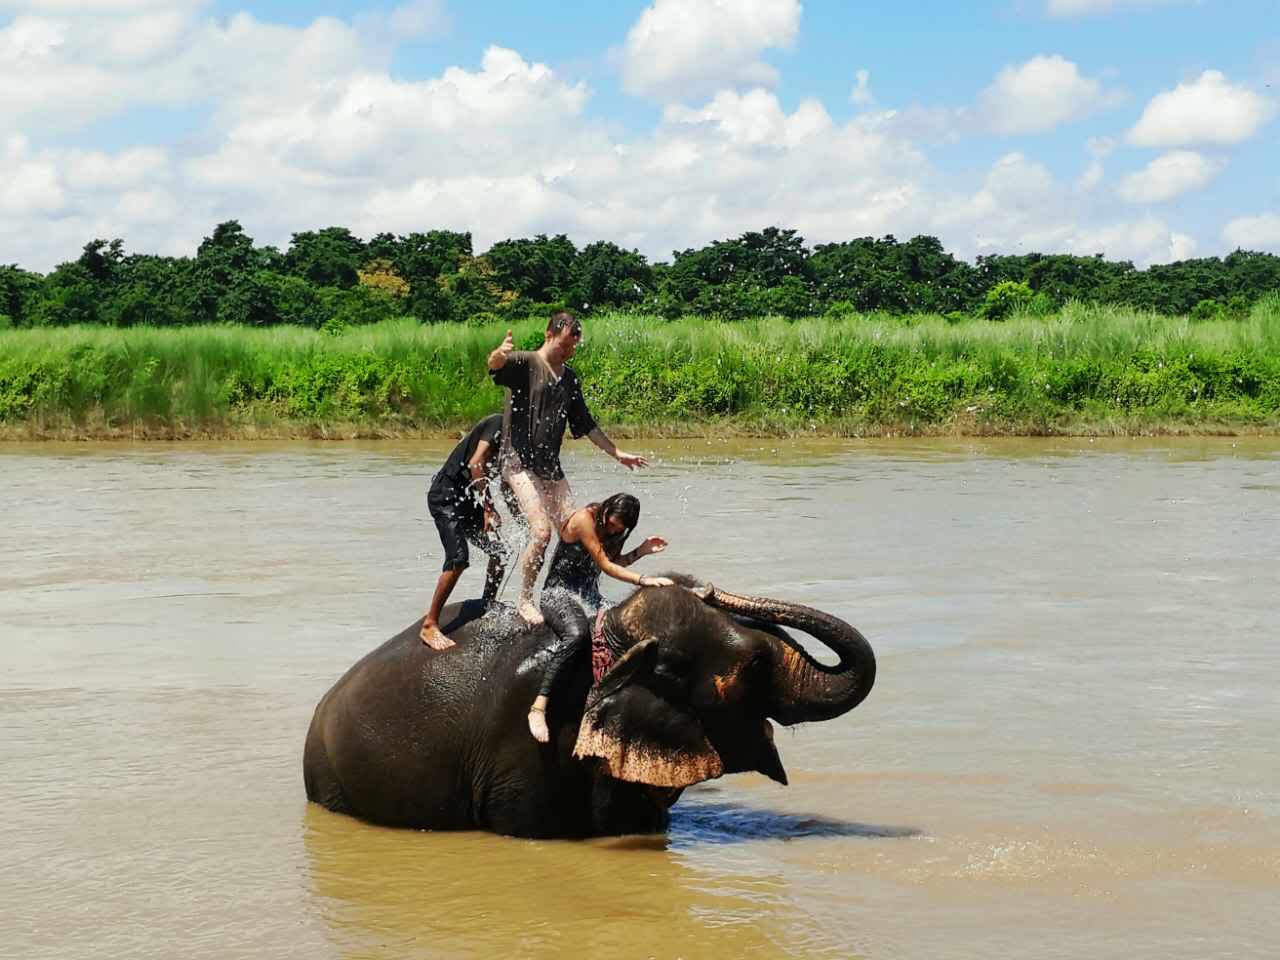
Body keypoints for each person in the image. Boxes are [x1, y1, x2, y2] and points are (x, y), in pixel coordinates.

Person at [488, 311, 650, 625]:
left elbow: (586, 424)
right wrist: (498, 354)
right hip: (517, 464)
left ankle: (577, 589)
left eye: (573, 347)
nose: (568, 351)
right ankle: (524, 601)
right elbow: (495, 368)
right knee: (541, 532)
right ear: (549, 334)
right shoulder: (525, 363)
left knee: (574, 528)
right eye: (564, 345)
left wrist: (618, 454)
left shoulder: (569, 378)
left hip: (549, 466)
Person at [526, 493, 673, 742]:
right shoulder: (585, 519)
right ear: (606, 510)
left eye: (620, 528)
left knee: (630, 627)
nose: (614, 529)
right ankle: (538, 706)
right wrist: (643, 580)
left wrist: (641, 551)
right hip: (558, 594)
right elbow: (606, 565)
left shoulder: (612, 531)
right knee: (577, 634)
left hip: (590, 597)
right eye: (613, 523)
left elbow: (615, 561)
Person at [420, 413, 509, 650]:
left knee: (501, 553)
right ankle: (430, 624)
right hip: (445, 497)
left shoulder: (515, 442)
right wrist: (489, 508)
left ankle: (486, 604)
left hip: (466, 500)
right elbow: (476, 463)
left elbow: (507, 481)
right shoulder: (498, 423)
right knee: (459, 559)